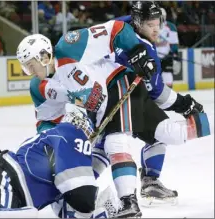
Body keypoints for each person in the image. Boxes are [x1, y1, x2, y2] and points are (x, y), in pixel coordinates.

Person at [16, 2, 210, 216]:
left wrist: (137, 52)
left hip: (118, 85)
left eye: (29, 65)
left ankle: (128, 202)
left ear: (44, 56)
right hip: (107, 108)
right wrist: (52, 145)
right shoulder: (40, 86)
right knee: (169, 133)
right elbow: (46, 121)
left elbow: (115, 29)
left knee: (115, 141)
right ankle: (204, 124)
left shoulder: (68, 45)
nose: (29, 72)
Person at [113, 1, 208, 204]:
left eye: (158, 23)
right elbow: (157, 93)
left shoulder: (118, 25)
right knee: (168, 132)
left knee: (156, 137)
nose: (156, 29)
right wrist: (185, 104)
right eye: (150, 24)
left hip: (117, 99)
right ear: (138, 22)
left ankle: (150, 182)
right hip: (122, 102)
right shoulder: (144, 47)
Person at [0, 111, 117, 218]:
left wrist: (104, 154)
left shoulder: (51, 143)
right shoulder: (72, 133)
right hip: (3, 181)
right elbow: (83, 198)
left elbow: (71, 206)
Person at [156, 7, 180, 88]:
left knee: (168, 81)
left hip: (167, 58)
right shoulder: (151, 27)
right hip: (154, 58)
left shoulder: (171, 26)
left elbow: (174, 43)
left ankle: (169, 98)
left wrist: (175, 57)